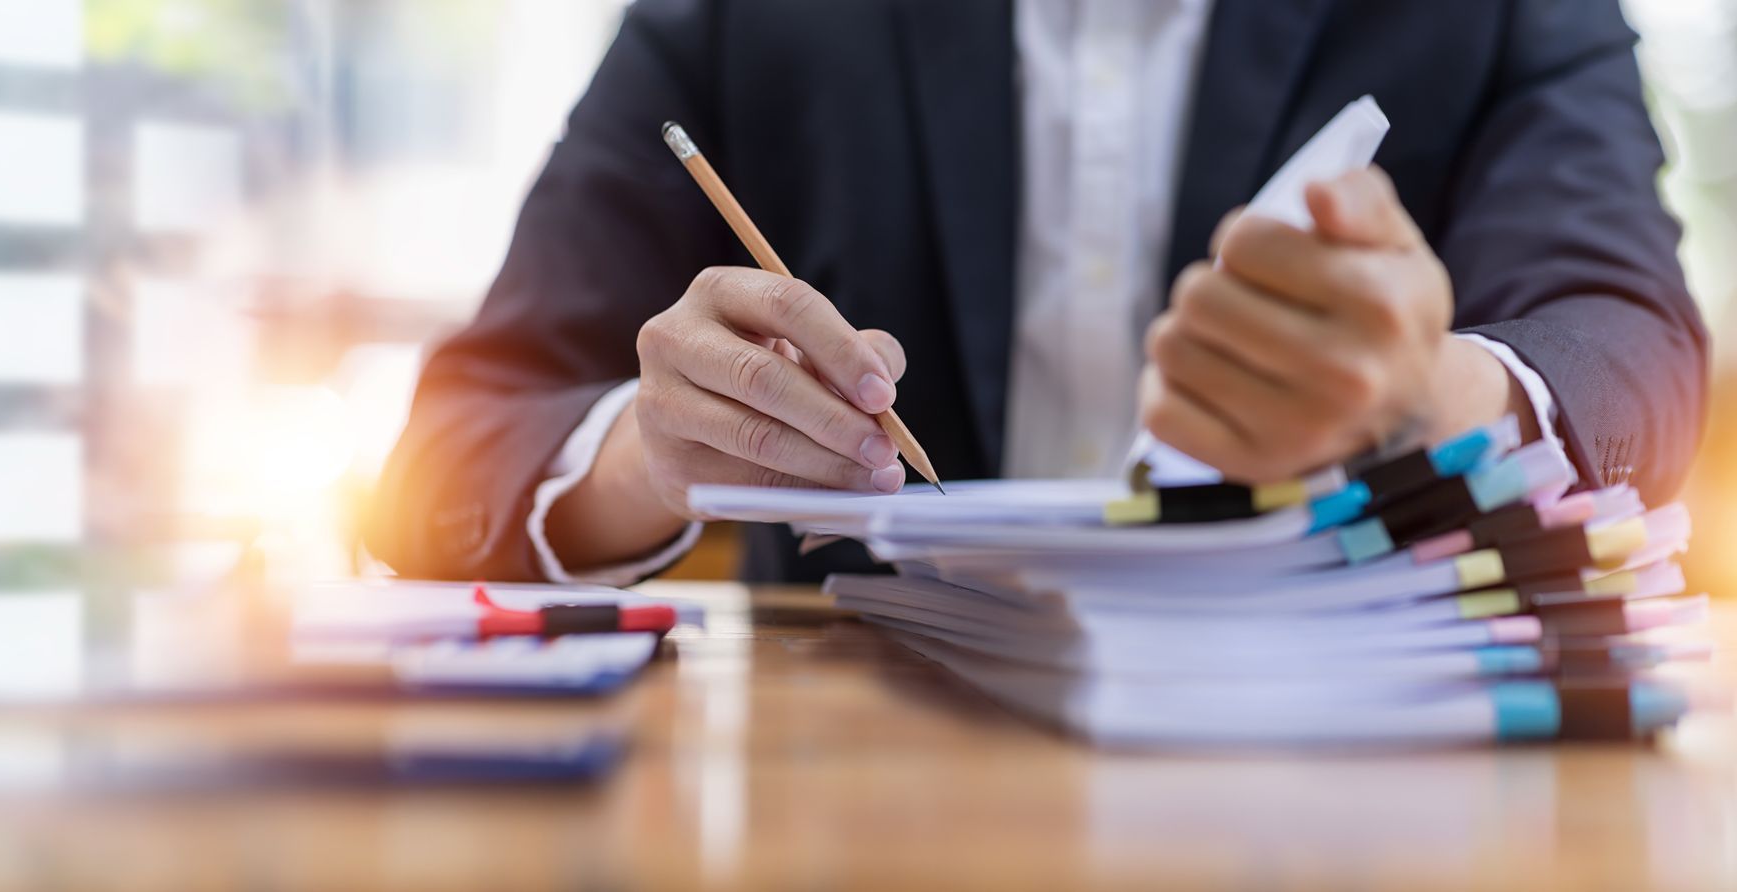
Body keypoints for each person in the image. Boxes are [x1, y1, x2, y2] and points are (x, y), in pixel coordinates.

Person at [369, 0, 1706, 584]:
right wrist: (648, 455)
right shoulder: (742, 15)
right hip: (856, 789)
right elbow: (446, 453)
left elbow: (1631, 343)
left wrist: (1431, 394)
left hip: (1350, 771)